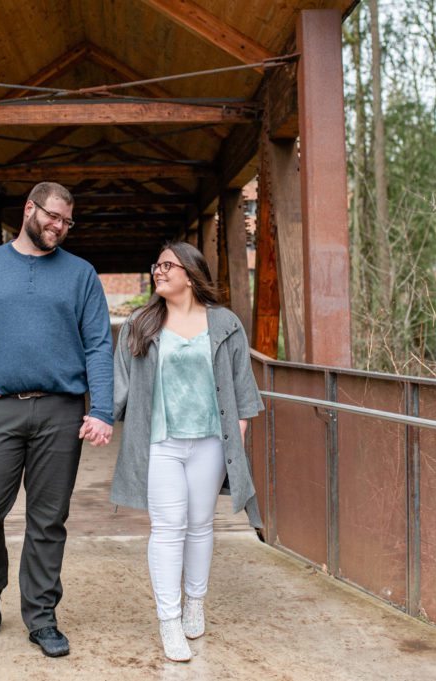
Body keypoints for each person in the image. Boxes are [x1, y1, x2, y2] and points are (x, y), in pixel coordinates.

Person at [0, 182, 114, 658]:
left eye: (67, 222)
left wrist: (100, 409)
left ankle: (41, 617)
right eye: (53, 217)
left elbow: (99, 343)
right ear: (29, 209)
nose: (59, 227)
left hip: (61, 410)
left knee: (48, 519)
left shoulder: (81, 274)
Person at [110, 241, 263, 662]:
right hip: (161, 443)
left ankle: (196, 601)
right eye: (156, 265)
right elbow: (118, 384)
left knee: (199, 526)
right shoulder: (141, 324)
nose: (158, 271)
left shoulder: (225, 323)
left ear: (191, 274)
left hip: (211, 441)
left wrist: (241, 430)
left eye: (166, 265)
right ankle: (169, 620)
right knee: (167, 529)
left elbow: (242, 384)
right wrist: (99, 417)